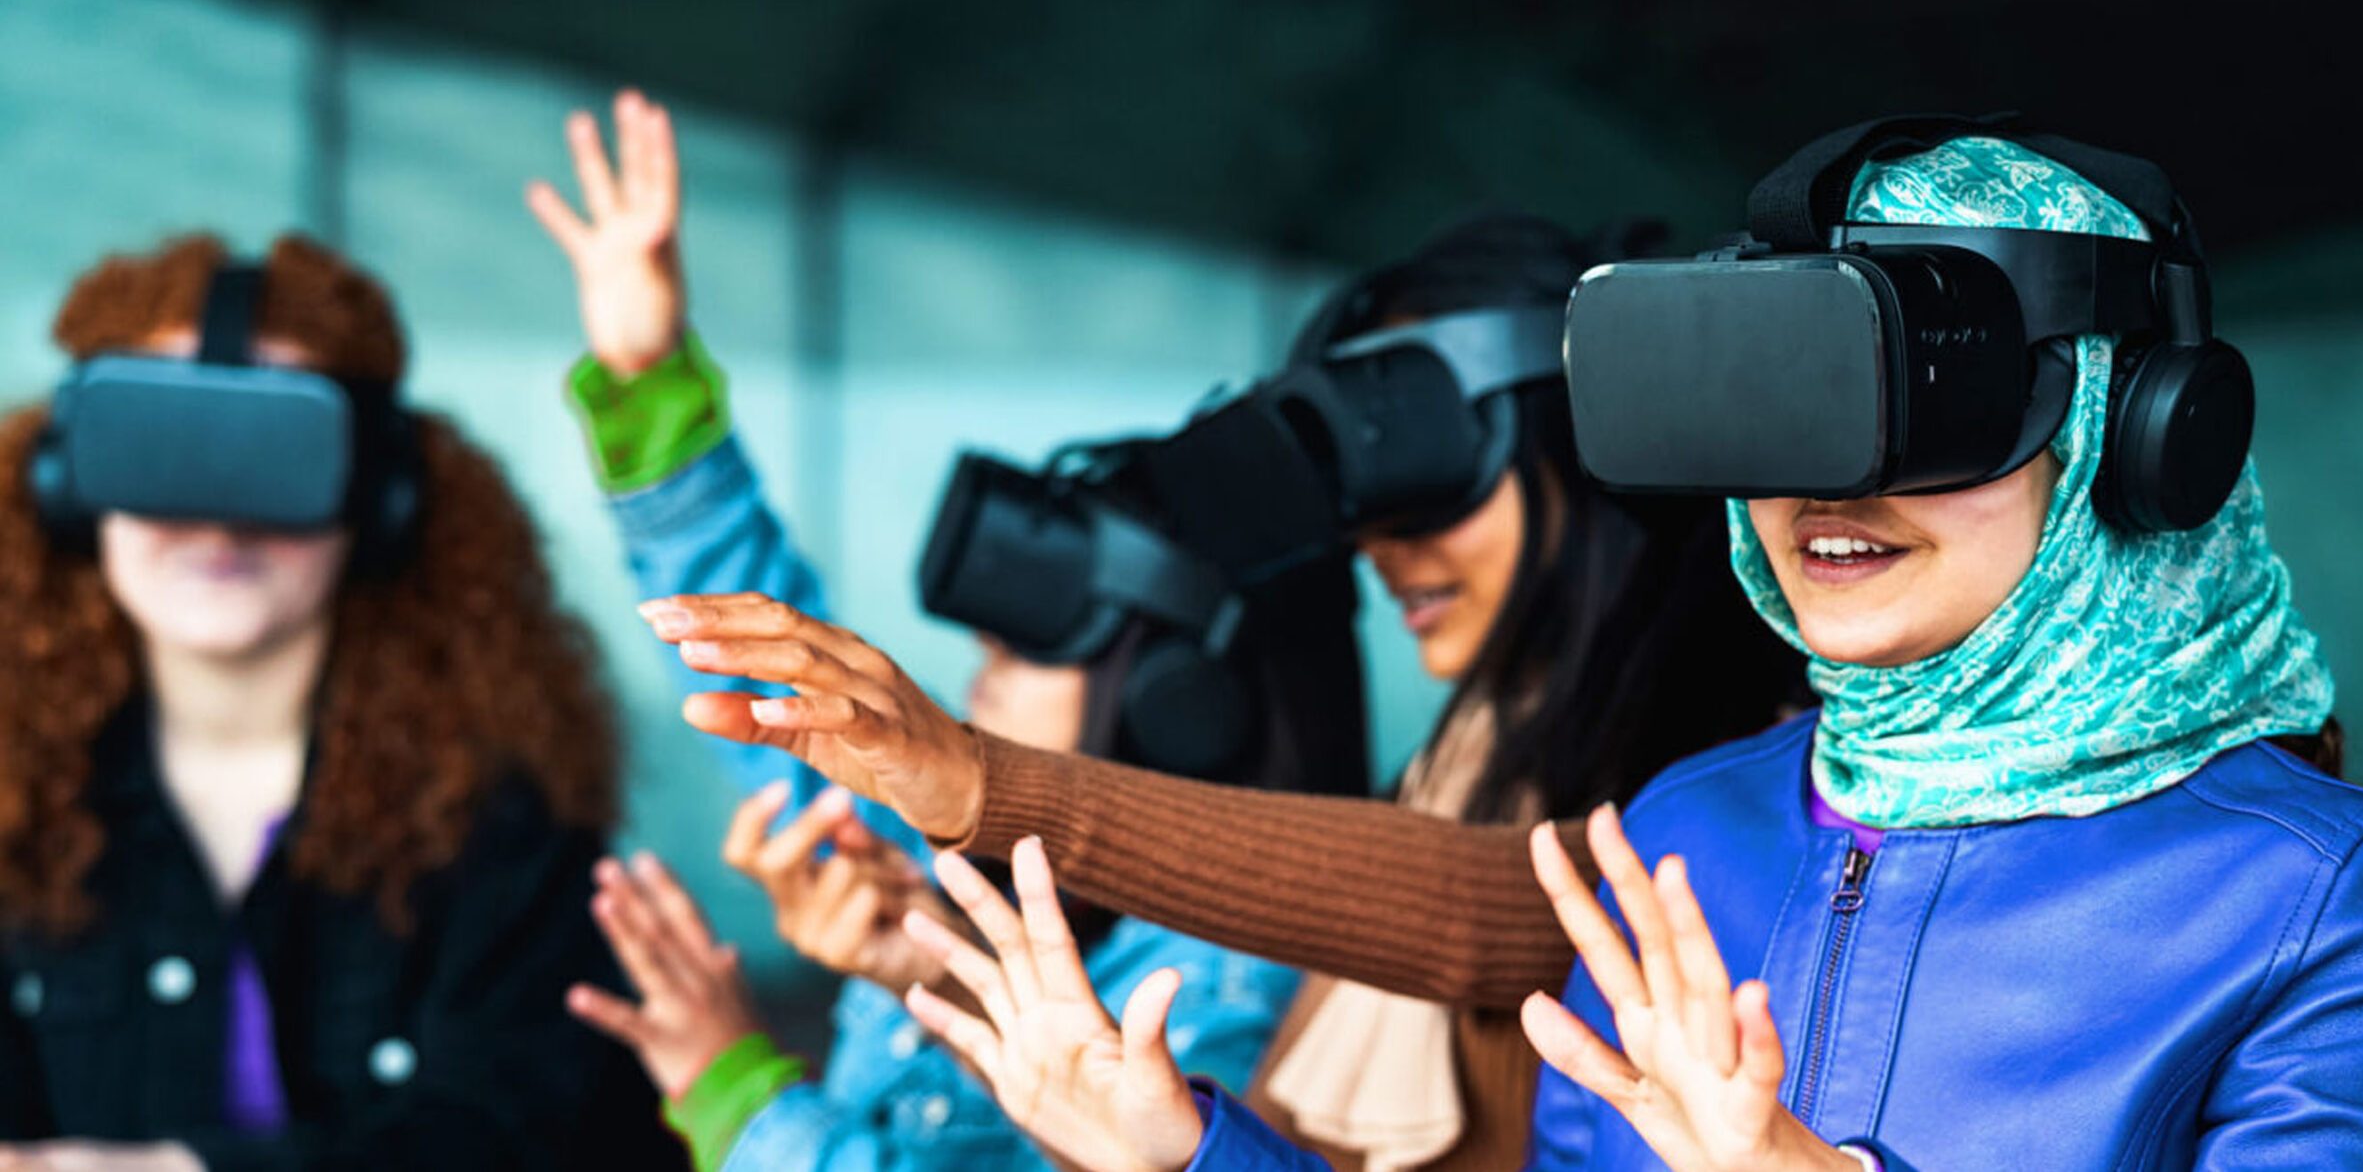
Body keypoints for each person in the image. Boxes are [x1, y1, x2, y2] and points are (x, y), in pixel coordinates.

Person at [866, 131, 2363, 1171]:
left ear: (2147, 435)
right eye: (1773, 400)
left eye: (1931, 412)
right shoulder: (1684, 834)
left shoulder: (2313, 891)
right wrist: (1186, 1156)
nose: (1822, 488)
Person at [647, 207, 1806, 1168]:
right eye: (1362, 508)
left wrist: (976, 785)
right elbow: (776, 737)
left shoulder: (1731, 796)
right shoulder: (1462, 767)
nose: (1382, 547)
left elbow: (1498, 910)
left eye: (1423, 467)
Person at [525, 89, 1361, 1172]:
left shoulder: (1229, 980)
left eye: (1030, 648)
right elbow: (770, 680)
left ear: (1183, 703)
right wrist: (648, 380)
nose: (983, 674)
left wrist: (741, 1098)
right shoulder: (952, 848)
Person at [0, 236, 678, 1172]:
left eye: (273, 455)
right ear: (70, 487)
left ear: (380, 492)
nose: (219, 519)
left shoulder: (502, 815)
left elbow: (517, 1131)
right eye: (162, 449)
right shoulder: (15, 798)